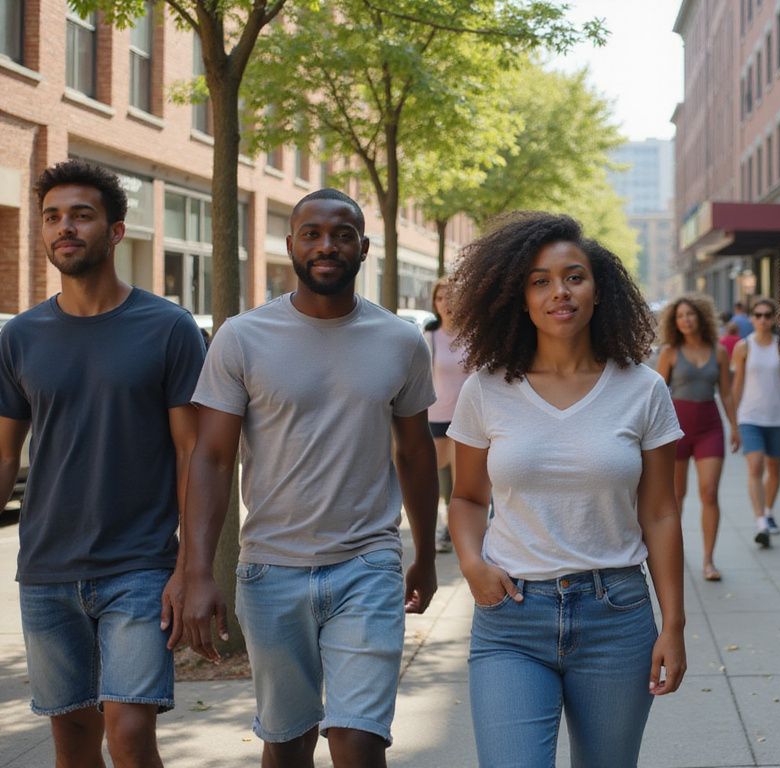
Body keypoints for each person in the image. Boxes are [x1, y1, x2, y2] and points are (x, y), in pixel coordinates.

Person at [181, 188, 439, 768]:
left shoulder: (400, 340)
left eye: (342, 234)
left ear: (364, 247)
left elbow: (417, 453)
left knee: (358, 739)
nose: (327, 245)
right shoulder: (241, 337)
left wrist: (422, 552)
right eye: (313, 234)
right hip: (271, 568)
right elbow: (212, 458)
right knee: (288, 742)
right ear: (291, 244)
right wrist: (197, 569)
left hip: (368, 563)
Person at [446, 211, 687, 767]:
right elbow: (466, 498)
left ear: (599, 290)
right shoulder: (486, 389)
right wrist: (471, 563)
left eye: (574, 276)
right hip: (512, 617)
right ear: (519, 297)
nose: (560, 292)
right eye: (540, 281)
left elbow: (660, 514)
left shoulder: (642, 388)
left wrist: (672, 624)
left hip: (617, 614)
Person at [0, 160, 205, 767]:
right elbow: (5, 452)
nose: (65, 228)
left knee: (131, 732)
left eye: (81, 216)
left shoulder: (168, 328)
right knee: (73, 742)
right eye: (53, 217)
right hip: (47, 568)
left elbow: (192, 451)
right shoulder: (20, 337)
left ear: (116, 231)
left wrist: (191, 565)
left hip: (139, 565)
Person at [656, 294, 738, 581]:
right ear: (674, 322)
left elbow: (726, 392)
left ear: (700, 317)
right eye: (680, 316)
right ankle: (674, 556)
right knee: (676, 496)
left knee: (710, 492)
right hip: (676, 431)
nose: (686, 320)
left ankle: (708, 560)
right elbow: (655, 393)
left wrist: (735, 426)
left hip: (710, 428)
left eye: (690, 314)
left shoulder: (719, 352)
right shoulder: (669, 352)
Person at [731, 297, 780, 547]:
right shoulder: (743, 347)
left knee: (774, 468)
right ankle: (760, 520)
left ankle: (769, 511)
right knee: (755, 466)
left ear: (774, 318)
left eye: (767, 315)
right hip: (750, 417)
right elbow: (736, 384)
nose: (762, 320)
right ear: (751, 318)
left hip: (779, 417)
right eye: (758, 315)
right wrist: (733, 421)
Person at [425, 275, 471, 554]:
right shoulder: (429, 337)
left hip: (465, 416)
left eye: (451, 296)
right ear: (435, 303)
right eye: (440, 297)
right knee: (434, 477)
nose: (446, 303)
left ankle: (451, 531)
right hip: (435, 414)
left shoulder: (472, 335)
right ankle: (435, 526)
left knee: (459, 482)